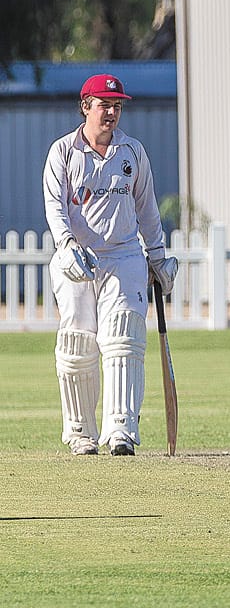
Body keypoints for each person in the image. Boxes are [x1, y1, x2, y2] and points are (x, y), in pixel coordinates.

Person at [43, 73, 179, 456]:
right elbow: (55, 208)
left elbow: (147, 209)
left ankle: (121, 429)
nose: (112, 112)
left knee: (123, 337)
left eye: (117, 106)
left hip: (122, 255)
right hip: (77, 258)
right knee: (77, 342)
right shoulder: (63, 152)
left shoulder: (131, 152)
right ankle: (80, 432)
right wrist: (66, 246)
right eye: (104, 105)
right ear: (86, 106)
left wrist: (157, 255)